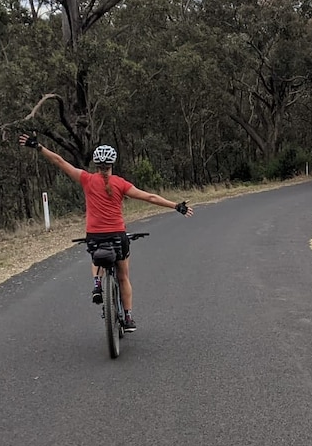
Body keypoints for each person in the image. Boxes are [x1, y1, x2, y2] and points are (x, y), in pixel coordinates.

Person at [18, 133, 193, 332]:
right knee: (123, 276)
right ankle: (127, 317)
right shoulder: (120, 183)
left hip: (95, 235)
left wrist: (39, 147)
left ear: (95, 164)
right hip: (118, 235)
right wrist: (175, 206)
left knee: (96, 255)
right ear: (112, 164)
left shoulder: (86, 179)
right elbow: (150, 197)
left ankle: (97, 284)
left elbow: (60, 161)